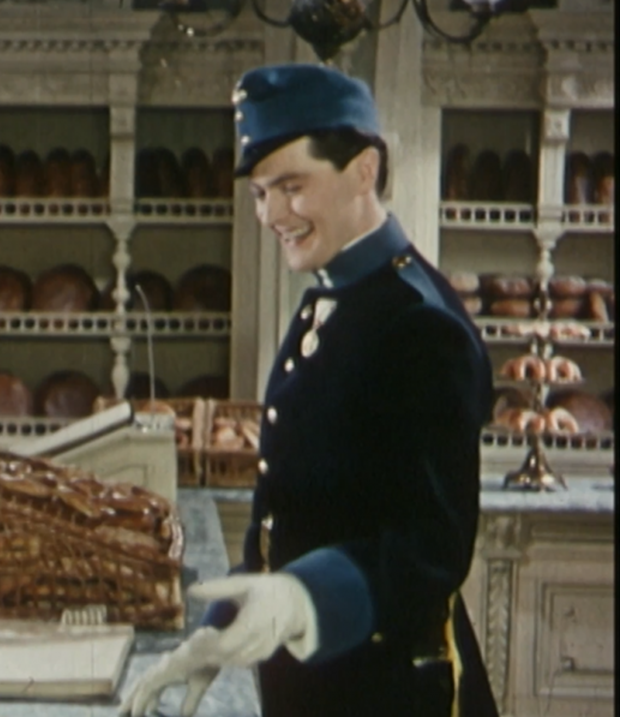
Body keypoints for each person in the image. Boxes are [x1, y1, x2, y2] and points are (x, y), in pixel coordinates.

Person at [121, 64, 499, 717]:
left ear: (364, 170)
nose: (272, 214)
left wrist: (301, 600)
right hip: (310, 682)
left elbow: (433, 550)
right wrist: (218, 630)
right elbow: (288, 509)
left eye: (292, 188)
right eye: (260, 193)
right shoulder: (334, 295)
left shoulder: (420, 323)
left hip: (388, 690)